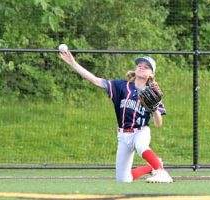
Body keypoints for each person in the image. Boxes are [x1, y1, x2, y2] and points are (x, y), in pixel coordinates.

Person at [59, 51, 173, 183]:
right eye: (139, 65)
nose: (141, 67)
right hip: (123, 135)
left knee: (142, 146)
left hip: (140, 131)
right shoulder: (121, 86)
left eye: (146, 67)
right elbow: (95, 80)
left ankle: (161, 171)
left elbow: (158, 123)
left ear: (151, 74)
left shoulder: (153, 93)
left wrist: (154, 109)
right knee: (123, 179)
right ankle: (150, 166)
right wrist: (73, 63)